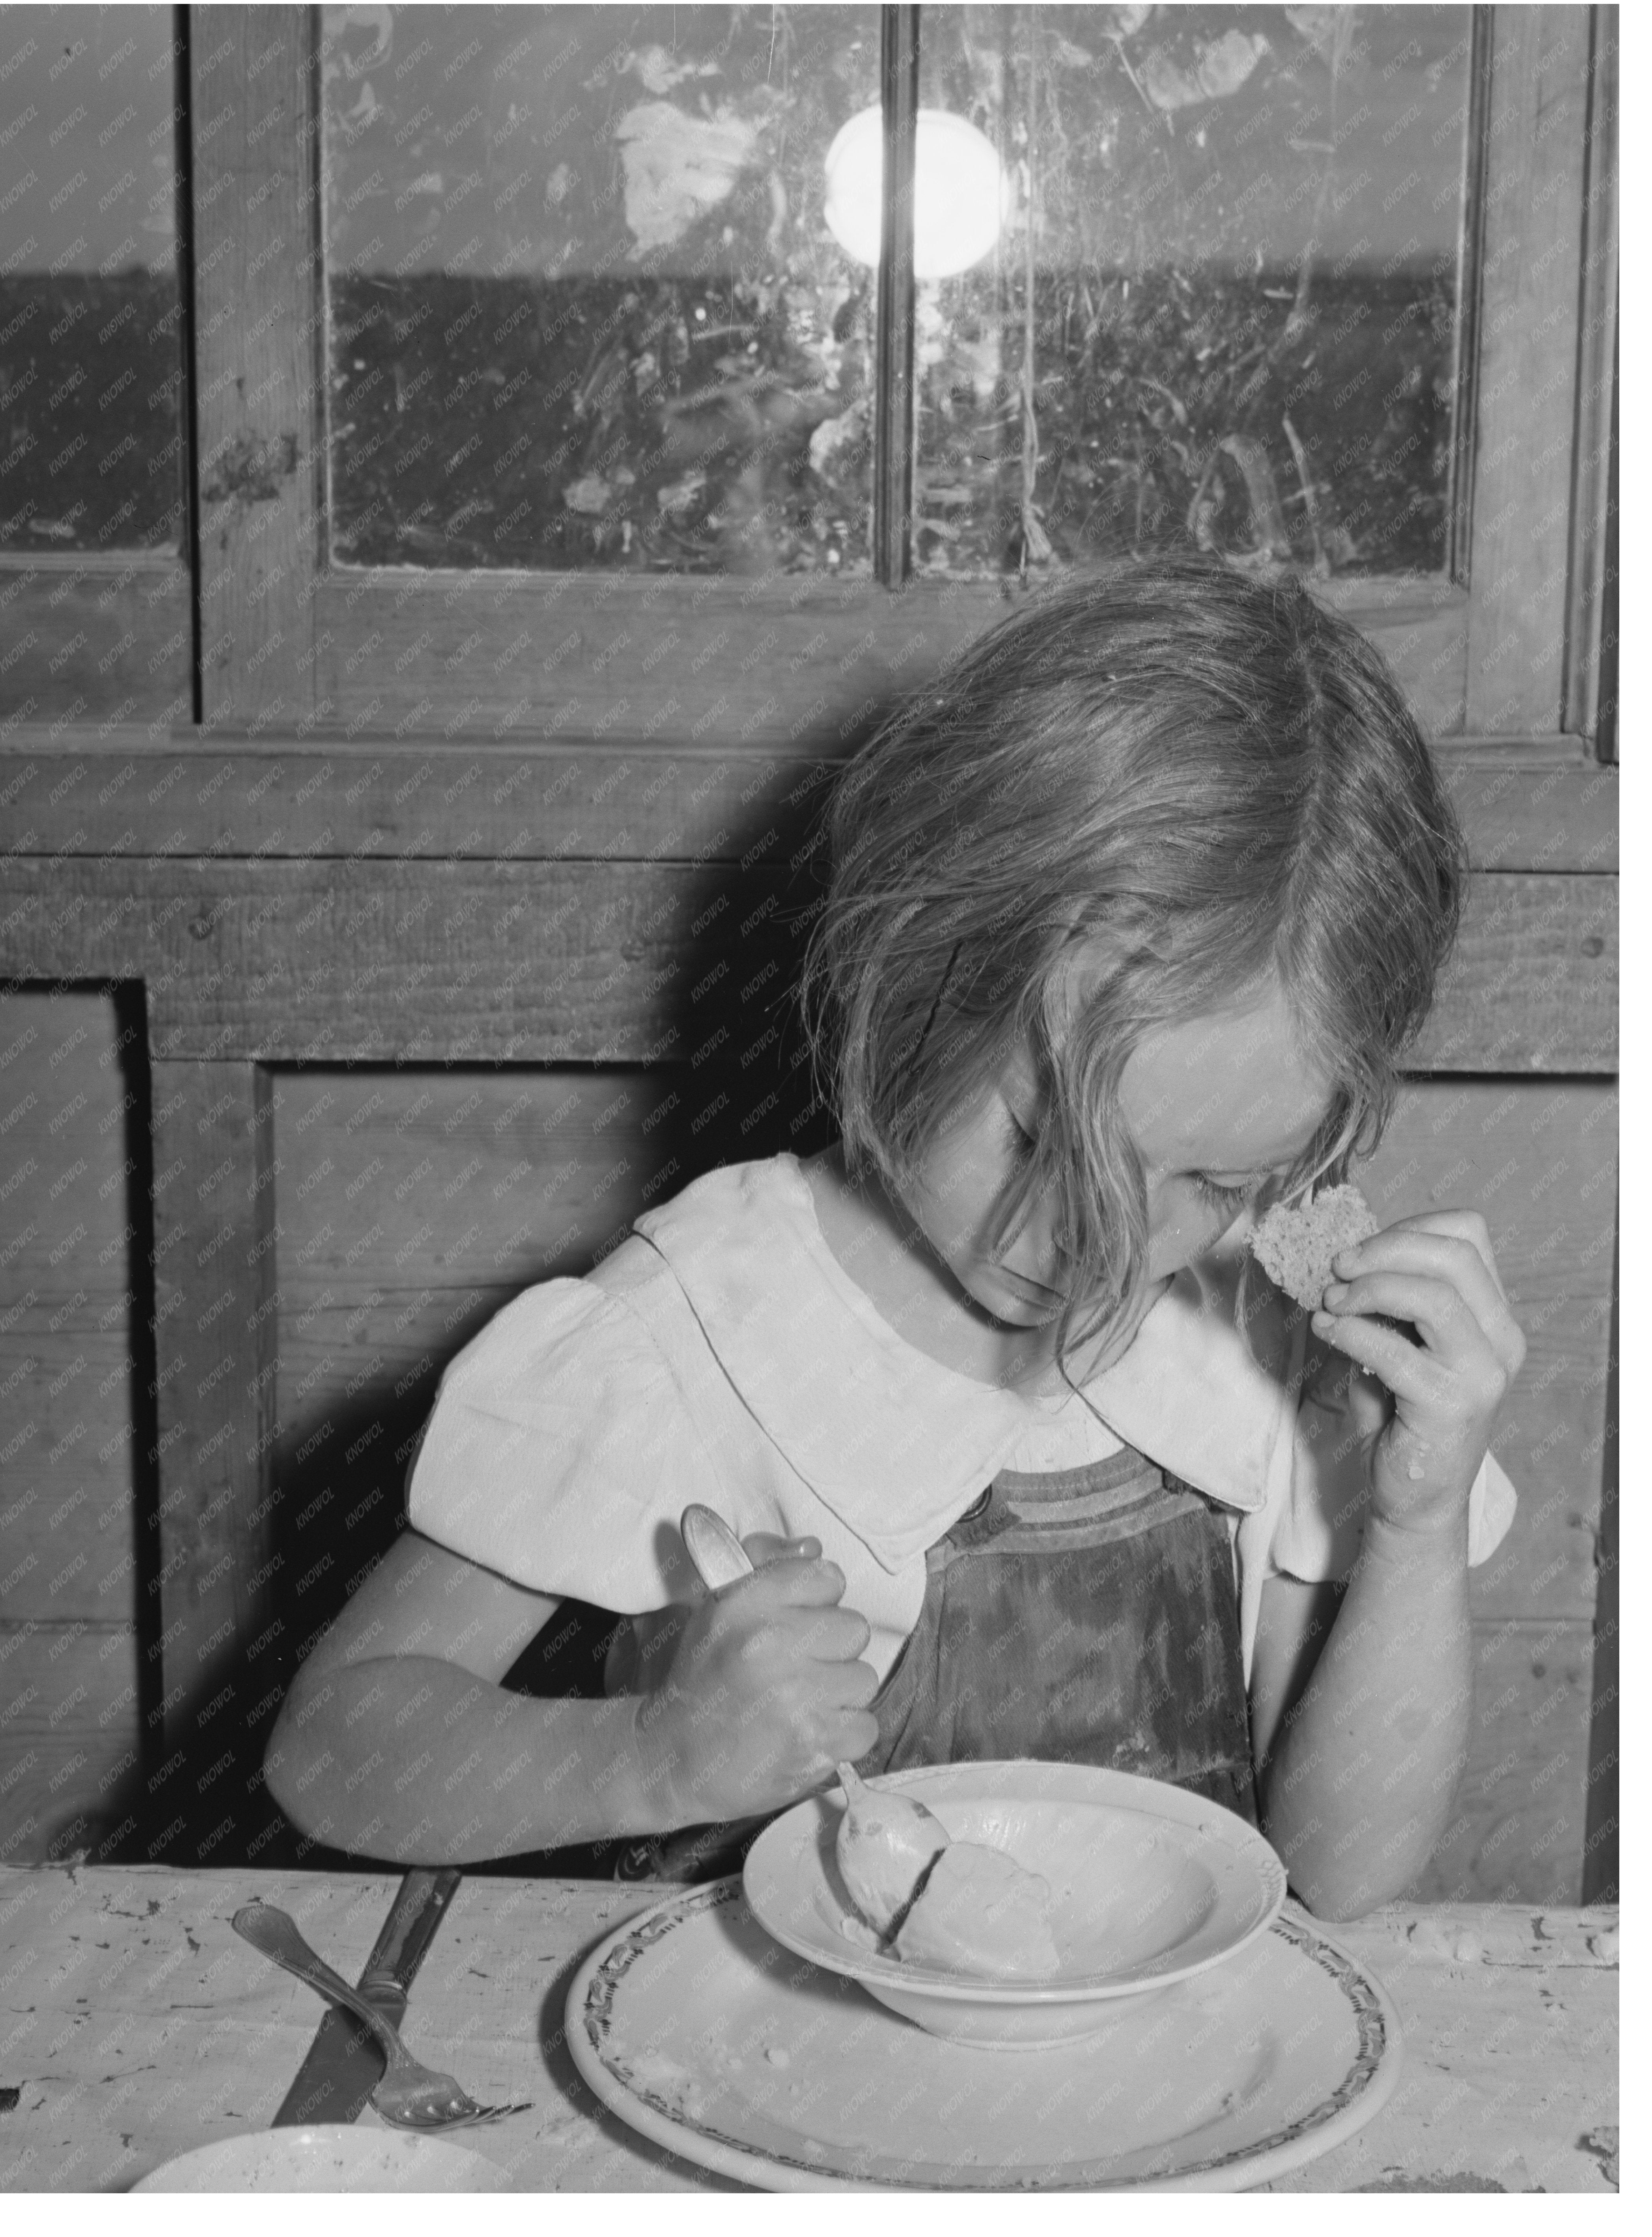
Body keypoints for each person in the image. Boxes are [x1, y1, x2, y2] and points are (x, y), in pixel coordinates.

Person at [264, 555, 1523, 1921]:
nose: (1100, 1240)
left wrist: (1411, 1521)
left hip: (1136, 2095)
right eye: (1041, 1140)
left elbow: (1339, 1877)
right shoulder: (696, 1329)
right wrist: (644, 1756)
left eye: (1214, 1184)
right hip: (762, 2078)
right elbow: (335, 1754)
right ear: (908, 980)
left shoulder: (1264, 1342)